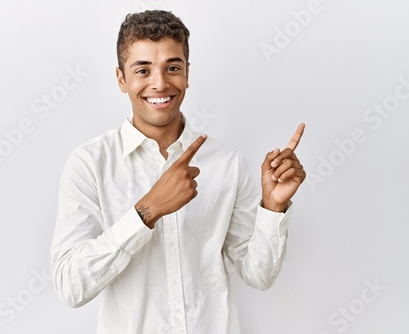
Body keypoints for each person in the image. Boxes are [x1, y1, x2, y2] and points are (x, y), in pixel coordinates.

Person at [51, 10, 306, 334]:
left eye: (172, 67)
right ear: (121, 79)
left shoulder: (226, 161)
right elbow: (70, 286)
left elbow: (259, 274)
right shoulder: (89, 164)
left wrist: (273, 206)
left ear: (187, 73)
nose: (160, 83)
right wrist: (147, 211)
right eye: (142, 69)